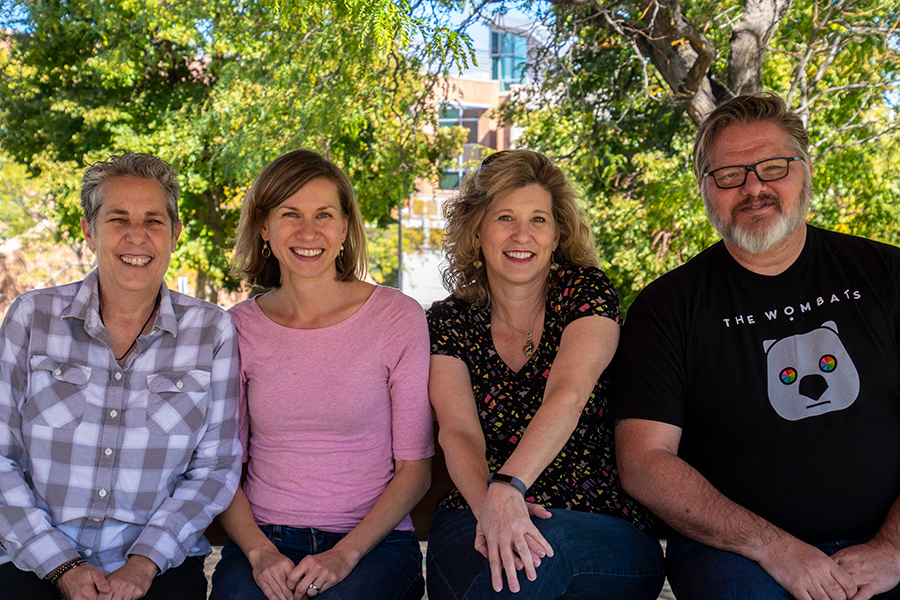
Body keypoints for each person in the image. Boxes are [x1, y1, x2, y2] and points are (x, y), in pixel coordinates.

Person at [613, 92, 900, 600]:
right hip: (738, 553)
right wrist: (773, 547)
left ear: (806, 171)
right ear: (705, 188)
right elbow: (644, 460)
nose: (754, 188)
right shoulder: (667, 308)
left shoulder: (887, 275)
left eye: (773, 166)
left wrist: (894, 547)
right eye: (730, 174)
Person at [425, 149, 665, 600]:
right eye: (504, 218)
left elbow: (568, 395)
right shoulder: (449, 321)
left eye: (538, 219)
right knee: (498, 571)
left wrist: (509, 487)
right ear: (476, 232)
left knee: (528, 564)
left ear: (557, 235)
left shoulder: (586, 293)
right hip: (472, 509)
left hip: (598, 519)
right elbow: (458, 431)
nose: (522, 234)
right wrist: (493, 507)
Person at [0, 152, 242, 600]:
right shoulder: (32, 317)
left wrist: (145, 561)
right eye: (118, 219)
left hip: (160, 567)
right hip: (33, 562)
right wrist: (61, 564)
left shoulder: (211, 330)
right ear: (88, 230)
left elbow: (215, 467)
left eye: (153, 220)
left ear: (175, 234)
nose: (137, 236)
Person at [209, 149, 433, 600]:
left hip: (373, 544)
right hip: (265, 538)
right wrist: (258, 552)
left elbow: (415, 469)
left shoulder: (397, 318)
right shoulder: (236, 328)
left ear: (345, 227)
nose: (308, 232)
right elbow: (220, 467)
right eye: (290, 214)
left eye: (324, 215)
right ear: (263, 227)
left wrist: (344, 555)